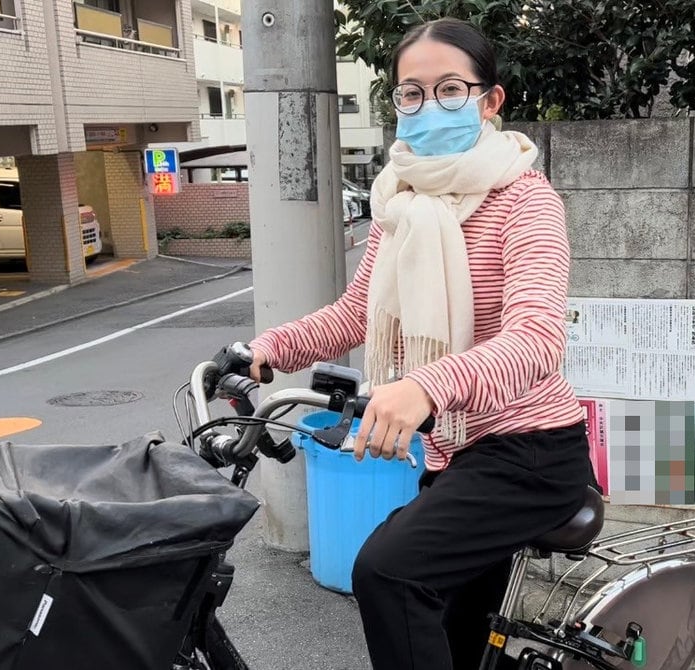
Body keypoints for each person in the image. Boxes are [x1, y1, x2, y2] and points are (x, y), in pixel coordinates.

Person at [225, 17, 595, 670]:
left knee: (387, 574)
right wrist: (268, 347)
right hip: (456, 454)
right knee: (450, 638)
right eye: (411, 93)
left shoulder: (526, 202)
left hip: (530, 456)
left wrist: (427, 384)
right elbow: (355, 313)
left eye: (450, 88)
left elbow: (537, 339)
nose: (428, 106)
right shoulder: (402, 203)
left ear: (490, 99)